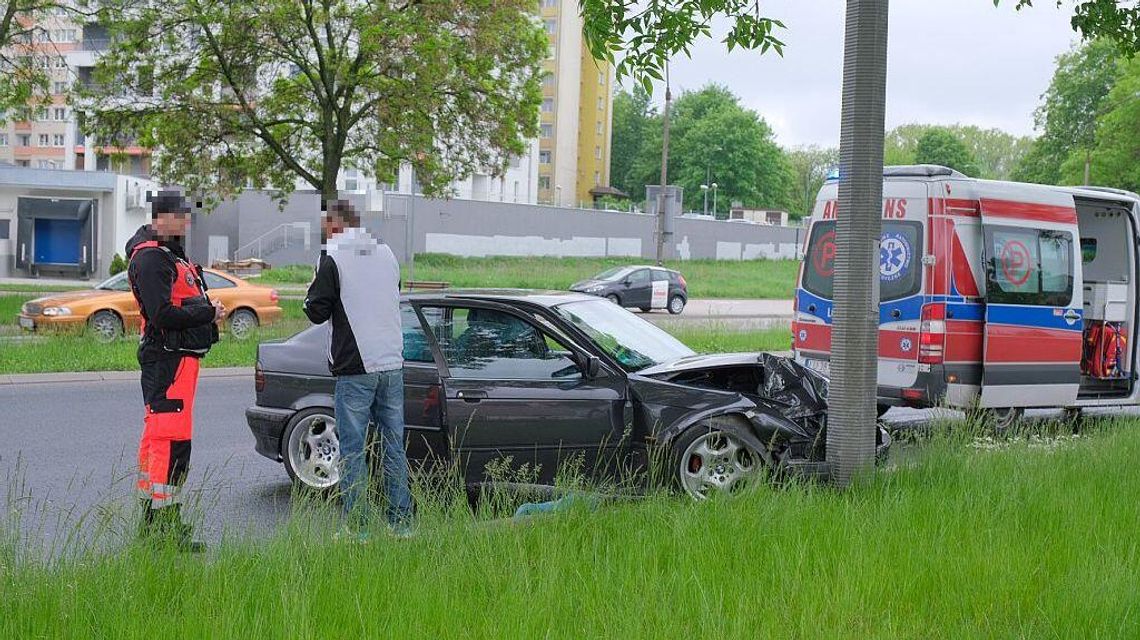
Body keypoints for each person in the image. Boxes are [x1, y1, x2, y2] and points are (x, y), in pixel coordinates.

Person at [303, 199, 412, 538]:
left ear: (335, 224)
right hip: (392, 362)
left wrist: (313, 283)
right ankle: (401, 524)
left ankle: (358, 528)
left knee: (352, 449)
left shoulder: (334, 256)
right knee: (393, 445)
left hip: (356, 366)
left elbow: (316, 311)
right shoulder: (386, 252)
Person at [125, 189, 225, 552]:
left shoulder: (167, 253)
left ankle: (156, 527)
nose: (186, 223)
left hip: (178, 360)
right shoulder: (152, 258)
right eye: (181, 217)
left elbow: (179, 302)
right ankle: (163, 531)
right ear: (161, 218)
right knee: (170, 445)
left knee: (164, 442)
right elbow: (162, 314)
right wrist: (207, 313)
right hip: (168, 361)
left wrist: (206, 312)